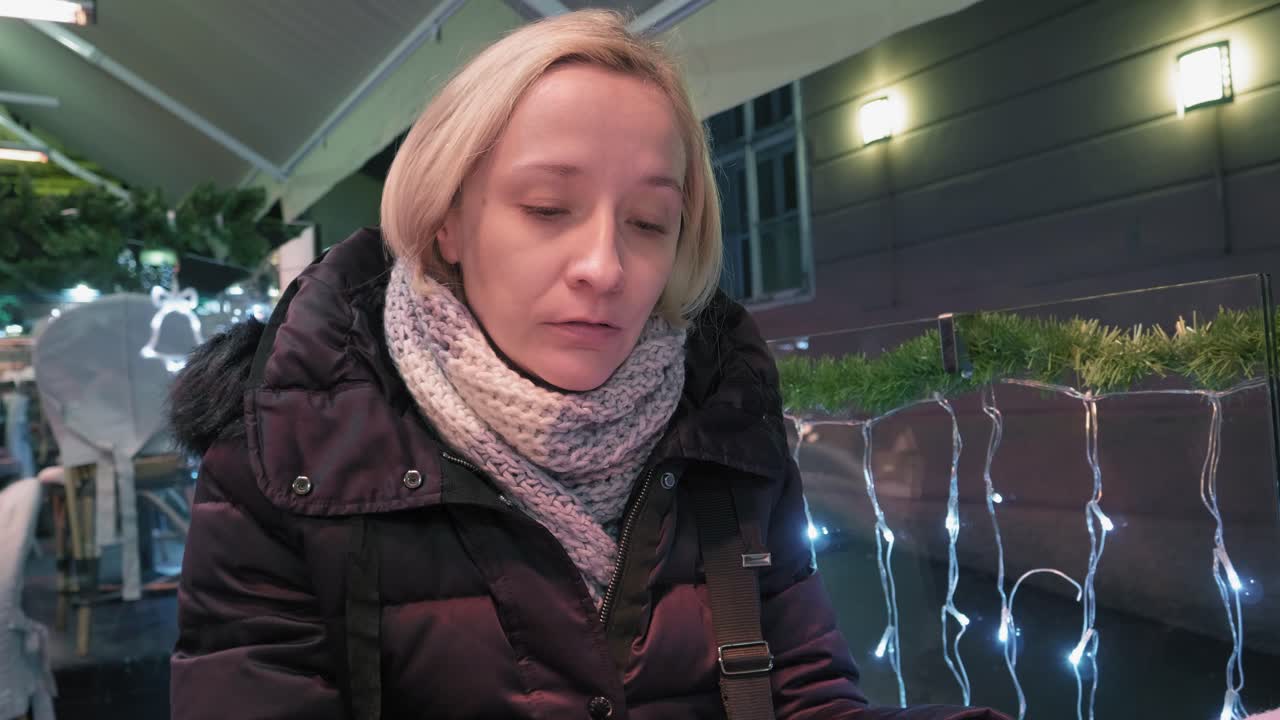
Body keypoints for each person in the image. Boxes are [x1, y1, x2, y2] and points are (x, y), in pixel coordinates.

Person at [168, 10, 1010, 720]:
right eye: (547, 208)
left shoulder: (726, 420)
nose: (605, 266)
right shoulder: (291, 450)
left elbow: (804, 688)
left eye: (649, 222)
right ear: (448, 222)